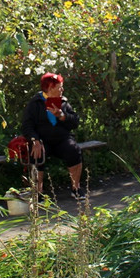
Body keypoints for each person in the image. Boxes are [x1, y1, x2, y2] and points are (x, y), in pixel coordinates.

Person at [21, 72, 85, 201]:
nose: (62, 90)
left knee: (74, 150)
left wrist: (62, 115)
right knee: (36, 153)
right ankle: (38, 192)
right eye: (59, 87)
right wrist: (35, 140)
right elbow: (27, 126)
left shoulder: (64, 102)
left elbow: (75, 122)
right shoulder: (35, 103)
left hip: (62, 139)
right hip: (43, 140)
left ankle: (76, 188)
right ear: (50, 88)